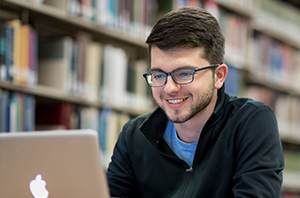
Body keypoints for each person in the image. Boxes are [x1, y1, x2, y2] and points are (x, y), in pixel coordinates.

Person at [106, 6, 284, 198]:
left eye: (184, 73)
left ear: (219, 76)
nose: (169, 88)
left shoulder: (251, 123)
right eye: (158, 75)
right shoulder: (133, 136)